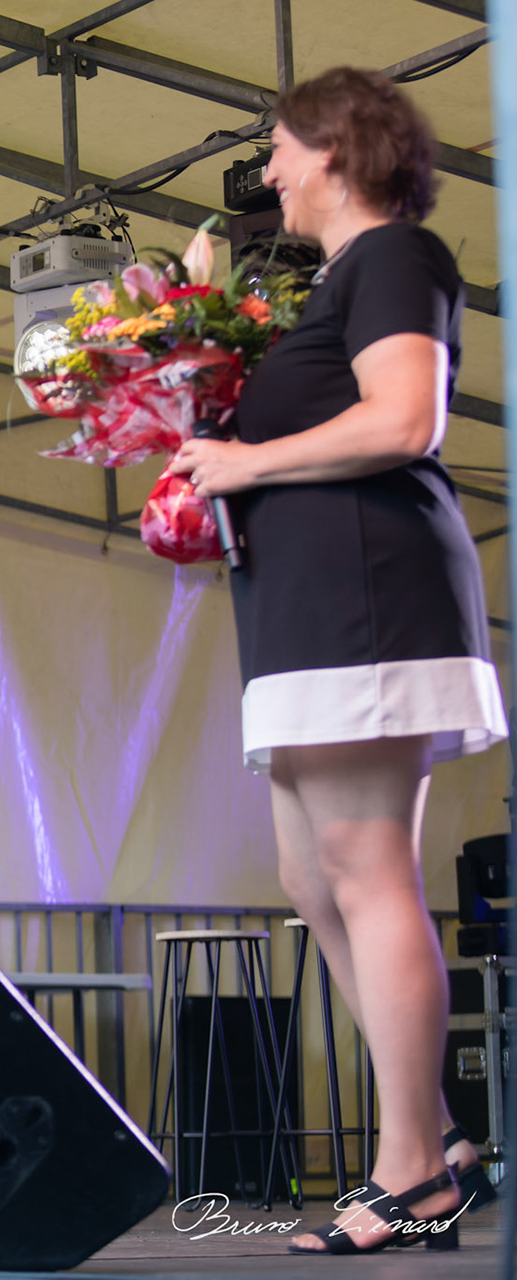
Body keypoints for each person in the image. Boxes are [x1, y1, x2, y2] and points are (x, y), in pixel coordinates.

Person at [168, 67, 505, 1255]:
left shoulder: (396, 260)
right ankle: (437, 1139)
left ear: (335, 151)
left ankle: (411, 1168)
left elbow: (407, 418)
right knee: (316, 880)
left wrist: (244, 467)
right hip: (309, 612)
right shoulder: (341, 282)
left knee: (367, 872)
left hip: (369, 600)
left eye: (278, 150)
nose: (268, 173)